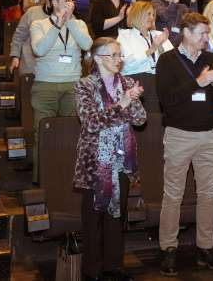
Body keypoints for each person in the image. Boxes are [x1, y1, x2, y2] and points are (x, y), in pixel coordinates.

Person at [155, 13, 213, 276]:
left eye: (208, 34)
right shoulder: (167, 60)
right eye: (202, 34)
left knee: (208, 195)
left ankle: (205, 247)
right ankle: (168, 249)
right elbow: (166, 98)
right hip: (178, 135)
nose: (207, 39)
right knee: (173, 195)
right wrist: (199, 82)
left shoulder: (210, 59)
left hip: (208, 135)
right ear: (186, 32)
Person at [74, 37, 146, 281]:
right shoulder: (85, 85)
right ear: (97, 58)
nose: (119, 60)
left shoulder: (126, 82)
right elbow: (91, 122)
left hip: (122, 160)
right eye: (113, 55)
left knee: (116, 216)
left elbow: (140, 120)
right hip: (96, 161)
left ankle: (113, 265)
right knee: (94, 216)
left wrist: (133, 100)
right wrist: (121, 103)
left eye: (120, 55)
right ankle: (92, 269)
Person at [30, 0, 93, 182]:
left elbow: (87, 45)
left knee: (70, 132)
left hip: (72, 85)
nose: (70, 4)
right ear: (54, 3)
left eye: (72, 1)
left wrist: (69, 22)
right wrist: (57, 25)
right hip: (45, 85)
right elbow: (39, 49)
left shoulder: (79, 24)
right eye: (66, 0)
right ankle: (41, 179)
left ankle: (68, 176)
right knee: (43, 132)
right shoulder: (39, 24)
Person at [117, 1, 172, 113]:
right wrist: (151, 49)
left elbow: (171, 63)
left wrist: (160, 47)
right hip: (135, 83)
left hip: (159, 82)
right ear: (136, 14)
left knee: (156, 120)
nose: (151, 18)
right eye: (148, 14)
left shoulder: (159, 35)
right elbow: (126, 65)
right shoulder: (125, 36)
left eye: (153, 15)